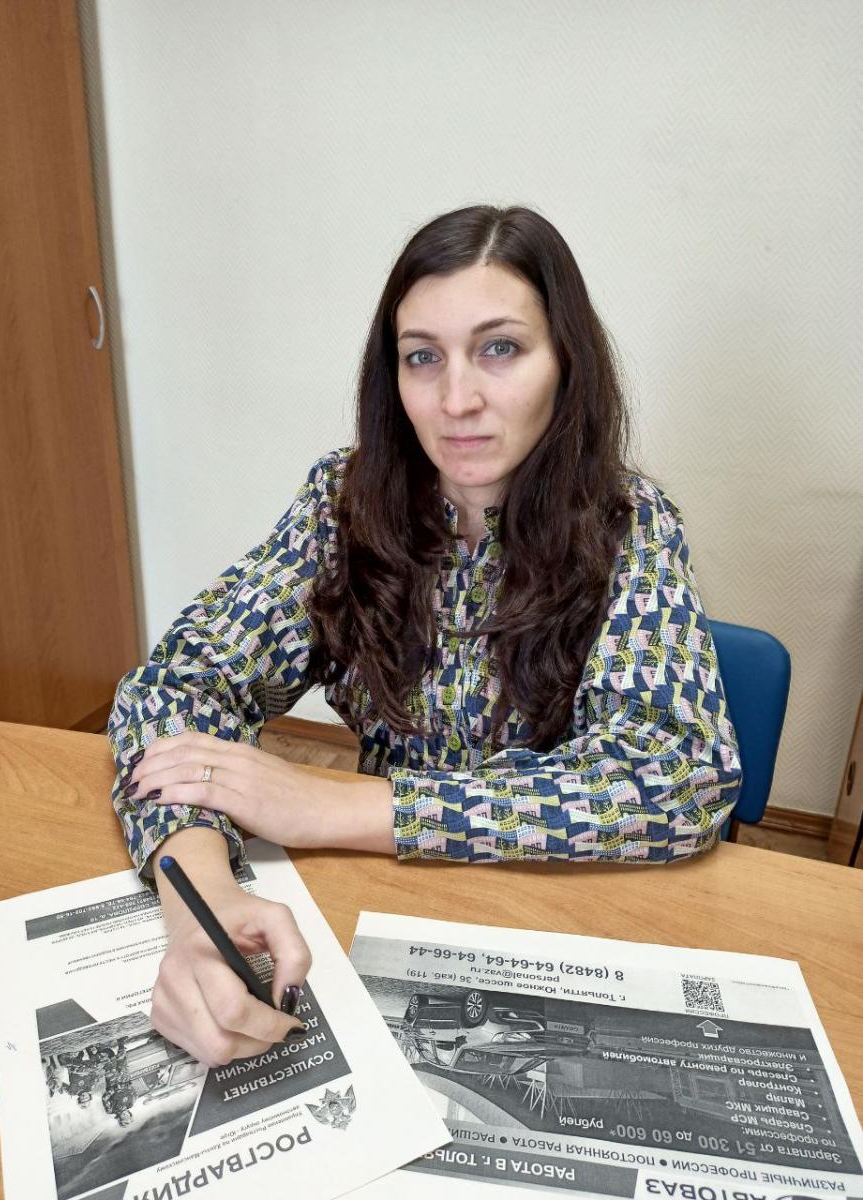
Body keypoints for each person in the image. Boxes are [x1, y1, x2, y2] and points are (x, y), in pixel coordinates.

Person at [109, 204, 741, 1069]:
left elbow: (678, 777)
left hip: (560, 915)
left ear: (567, 361)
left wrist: (338, 805)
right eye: (422, 357)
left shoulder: (633, 525)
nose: (456, 401)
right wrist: (201, 902)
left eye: (500, 348)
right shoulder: (345, 502)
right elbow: (177, 685)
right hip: (377, 898)